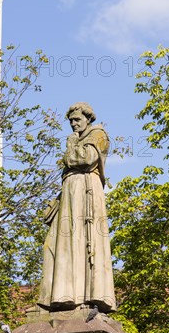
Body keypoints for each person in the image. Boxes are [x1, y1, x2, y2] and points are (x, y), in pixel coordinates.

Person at [38, 102, 116, 313]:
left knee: (82, 241)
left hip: (85, 194)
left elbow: (86, 158)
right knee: (62, 242)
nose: (73, 124)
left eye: (77, 119)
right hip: (71, 195)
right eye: (71, 120)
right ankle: (66, 294)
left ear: (88, 118)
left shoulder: (98, 134)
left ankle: (86, 295)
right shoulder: (78, 138)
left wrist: (71, 147)